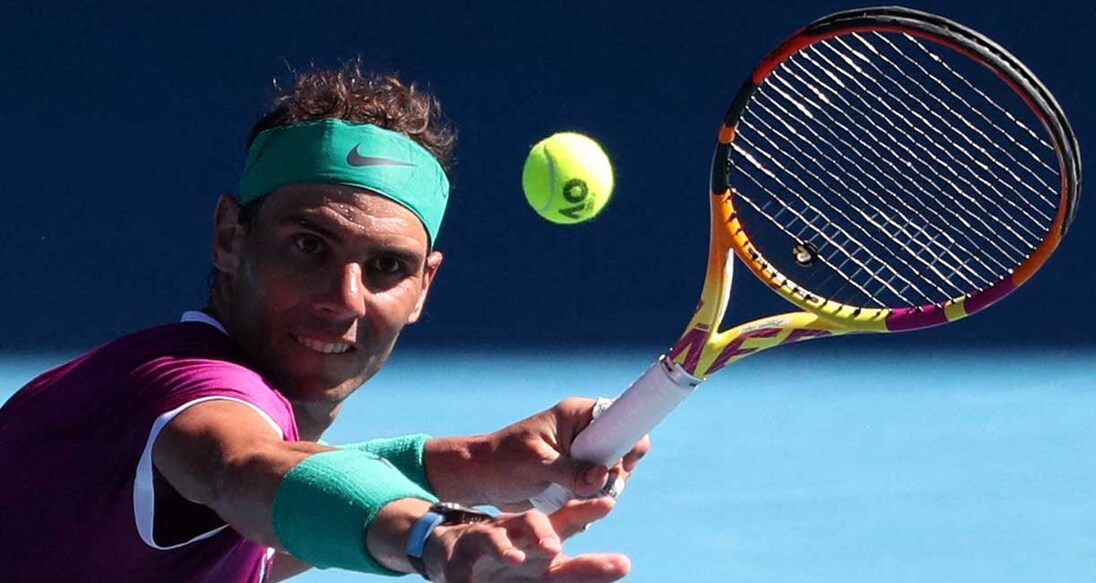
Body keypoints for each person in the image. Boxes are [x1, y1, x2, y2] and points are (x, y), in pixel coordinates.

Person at [0, 62, 648, 582]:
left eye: (388, 265)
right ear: (230, 237)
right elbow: (248, 470)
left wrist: (472, 461)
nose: (345, 297)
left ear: (424, 287)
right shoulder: (190, 392)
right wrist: (438, 535)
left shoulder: (144, 413)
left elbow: (264, 528)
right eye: (310, 246)